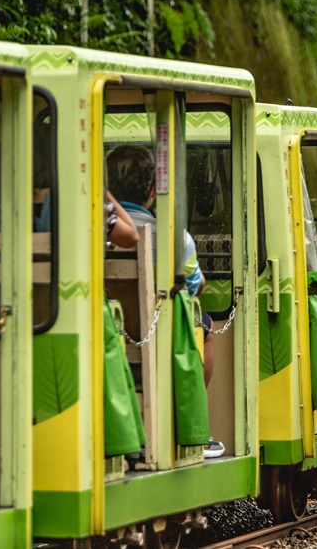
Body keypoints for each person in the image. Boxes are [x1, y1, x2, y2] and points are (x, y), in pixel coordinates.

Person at [107, 144, 223, 458]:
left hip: (108, 330)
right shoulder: (174, 237)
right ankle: (194, 421)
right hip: (159, 334)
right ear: (153, 191)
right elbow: (195, 287)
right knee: (206, 327)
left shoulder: (95, 229)